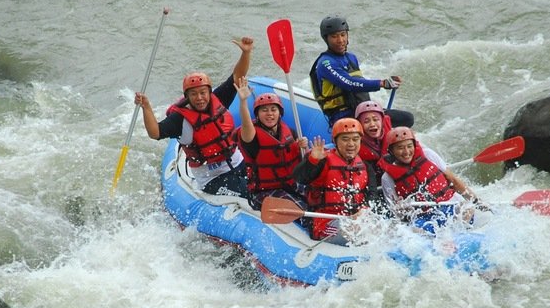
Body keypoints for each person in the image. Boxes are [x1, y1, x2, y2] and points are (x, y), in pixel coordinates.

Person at [134, 36, 254, 197]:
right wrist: (146, 107)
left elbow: (237, 76)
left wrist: (246, 53)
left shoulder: (218, 99)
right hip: (211, 178)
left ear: (209, 93)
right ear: (187, 97)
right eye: (194, 94)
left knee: (262, 186)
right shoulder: (179, 119)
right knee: (249, 194)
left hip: (237, 163)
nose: (199, 98)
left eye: (203, 93)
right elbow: (155, 133)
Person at [309, 15, 415, 128]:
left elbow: (360, 84)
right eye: (334, 36)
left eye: (343, 35)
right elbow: (349, 83)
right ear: (326, 39)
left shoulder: (351, 58)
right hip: (344, 117)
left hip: (363, 111)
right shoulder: (325, 63)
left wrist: (390, 82)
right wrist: (382, 83)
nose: (340, 40)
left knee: (407, 118)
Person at [292, 117, 382, 244]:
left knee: (383, 230)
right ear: (335, 141)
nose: (351, 144)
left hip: (355, 220)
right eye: (345, 139)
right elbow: (299, 178)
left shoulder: (366, 167)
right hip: (324, 222)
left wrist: (364, 209)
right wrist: (312, 161)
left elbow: (373, 195)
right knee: (353, 233)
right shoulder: (323, 161)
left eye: (355, 139)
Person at [378, 127, 484, 234]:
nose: (406, 152)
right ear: (391, 151)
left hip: (448, 204)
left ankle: (456, 235)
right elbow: (396, 212)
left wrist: (478, 201)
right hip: (423, 217)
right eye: (400, 148)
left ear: (414, 145)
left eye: (409, 146)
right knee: (414, 231)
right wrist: (402, 210)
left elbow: (453, 180)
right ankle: (444, 239)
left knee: (467, 208)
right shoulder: (387, 178)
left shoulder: (428, 154)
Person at [234, 77, 309, 210]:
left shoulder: (289, 131)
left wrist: (304, 147)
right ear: (257, 115)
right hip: (264, 192)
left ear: (280, 113)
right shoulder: (252, 136)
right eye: (264, 110)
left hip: (291, 184)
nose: (269, 114)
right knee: (303, 210)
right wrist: (243, 101)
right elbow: (246, 124)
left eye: (273, 109)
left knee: (319, 199)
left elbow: (303, 162)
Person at [354, 100, 392, 176]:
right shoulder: (355, 144)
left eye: (376, 119)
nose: (372, 124)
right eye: (366, 121)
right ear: (360, 124)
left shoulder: (393, 135)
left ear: (382, 121)